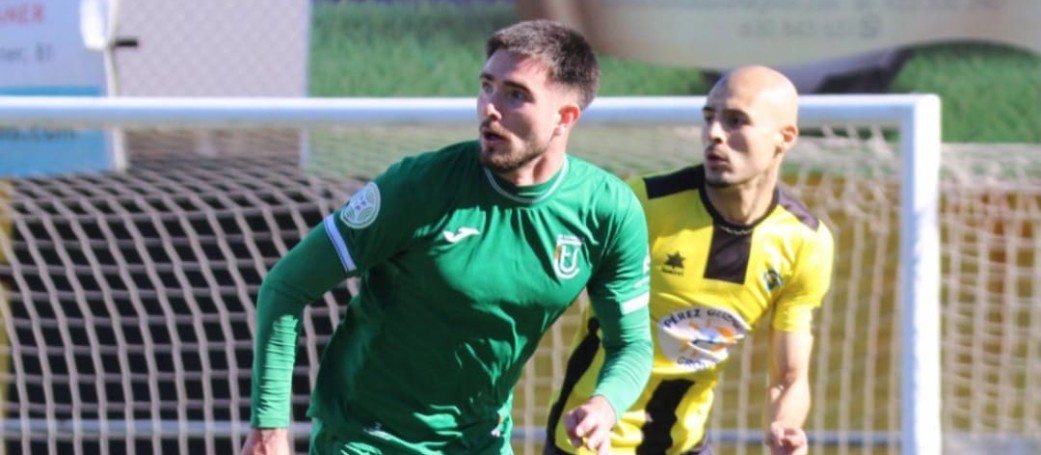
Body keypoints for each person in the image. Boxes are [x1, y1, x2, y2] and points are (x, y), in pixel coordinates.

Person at [239, 19, 653, 455]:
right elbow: (286, 286)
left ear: (564, 118)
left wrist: (605, 406)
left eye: (515, 95)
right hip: (367, 438)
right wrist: (269, 427)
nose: (490, 108)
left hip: (480, 441)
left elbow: (631, 345)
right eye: (487, 86)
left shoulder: (609, 212)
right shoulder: (418, 187)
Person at [544, 65, 835, 455]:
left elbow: (788, 378)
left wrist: (785, 427)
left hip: (686, 444)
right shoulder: (642, 205)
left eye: (736, 121)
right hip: (590, 437)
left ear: (785, 138)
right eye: (709, 117)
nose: (714, 133)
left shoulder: (805, 243)